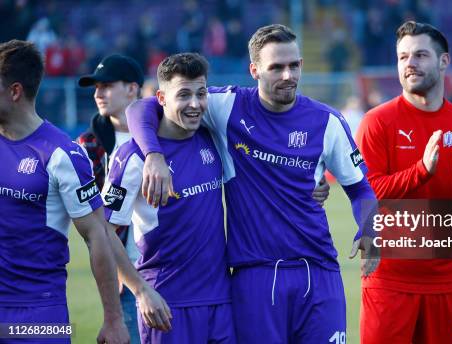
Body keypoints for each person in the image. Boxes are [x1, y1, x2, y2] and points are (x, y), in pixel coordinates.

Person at [126, 24, 378, 343]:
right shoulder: (226, 106)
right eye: (276, 67)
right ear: (254, 70)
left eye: (294, 65)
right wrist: (153, 154)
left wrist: (369, 229)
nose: (288, 75)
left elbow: (360, 189)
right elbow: (143, 106)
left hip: (319, 272)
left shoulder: (326, 121)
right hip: (255, 277)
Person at [355, 21, 452, 343]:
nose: (410, 64)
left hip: (448, 283)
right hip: (388, 282)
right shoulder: (377, 122)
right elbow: (367, 193)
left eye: (420, 55)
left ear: (444, 62)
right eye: (403, 57)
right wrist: (422, 170)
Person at [0, 40, 129, 344]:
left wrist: (113, 319)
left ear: (15, 92)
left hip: (39, 313)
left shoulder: (61, 154)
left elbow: (96, 235)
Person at [103, 52, 235, 343]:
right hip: (165, 303)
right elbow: (103, 230)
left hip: (221, 300)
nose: (195, 104)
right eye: (183, 95)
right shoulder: (132, 156)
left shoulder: (211, 137)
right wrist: (140, 290)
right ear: (161, 99)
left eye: (201, 94)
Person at [77, 53, 146, 344]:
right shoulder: (88, 146)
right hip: (128, 276)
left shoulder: (163, 134)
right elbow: (93, 220)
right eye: (95, 87)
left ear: (132, 88)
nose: (98, 93)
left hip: (175, 268)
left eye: (106, 85)